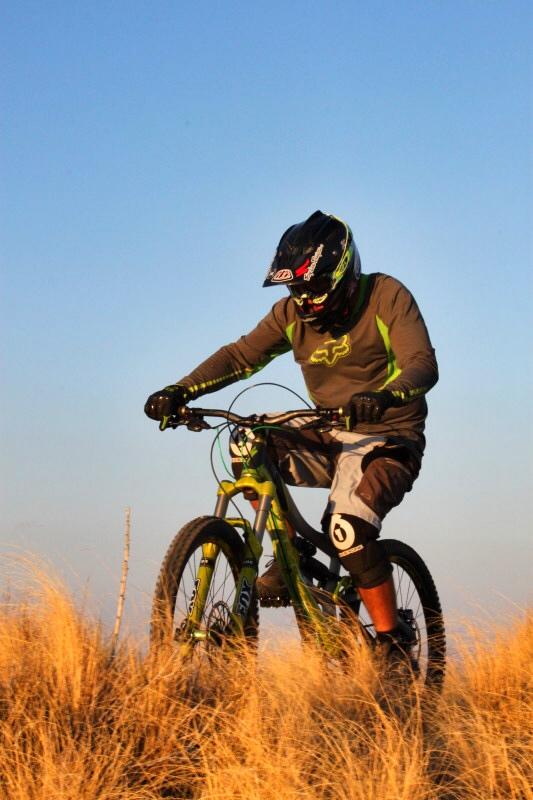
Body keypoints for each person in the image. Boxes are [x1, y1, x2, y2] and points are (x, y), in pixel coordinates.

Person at [145, 210, 438, 663]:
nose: (304, 300)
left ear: (343, 273)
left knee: (346, 529)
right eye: (296, 290)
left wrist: (385, 396)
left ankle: (391, 640)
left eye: (313, 288)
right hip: (327, 429)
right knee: (248, 437)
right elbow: (241, 355)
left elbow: (422, 362)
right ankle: (290, 552)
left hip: (388, 436)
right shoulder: (290, 314)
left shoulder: (385, 295)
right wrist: (179, 390)